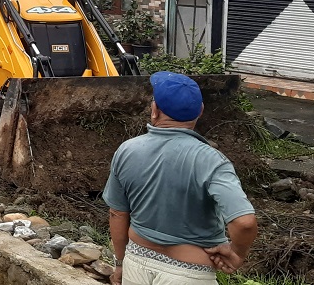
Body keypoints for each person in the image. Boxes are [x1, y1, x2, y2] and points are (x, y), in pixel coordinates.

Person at [104, 71, 257, 285]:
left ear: (154, 111)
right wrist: (237, 253)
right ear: (200, 112)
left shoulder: (127, 150)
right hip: (188, 274)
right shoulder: (212, 161)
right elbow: (244, 222)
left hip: (136, 263)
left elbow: (117, 213)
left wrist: (120, 264)